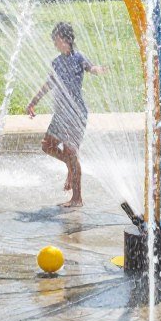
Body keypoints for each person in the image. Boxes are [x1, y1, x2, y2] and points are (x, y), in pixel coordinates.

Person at [26, 22, 106, 208]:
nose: (54, 43)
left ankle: (77, 198)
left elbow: (90, 68)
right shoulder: (56, 62)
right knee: (47, 145)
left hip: (76, 114)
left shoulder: (78, 58)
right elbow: (49, 83)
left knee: (71, 151)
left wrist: (98, 69)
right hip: (61, 114)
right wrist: (33, 102)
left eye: (56, 39)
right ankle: (70, 166)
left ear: (66, 40)